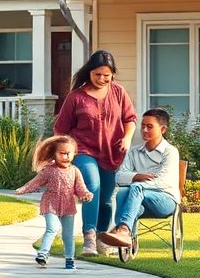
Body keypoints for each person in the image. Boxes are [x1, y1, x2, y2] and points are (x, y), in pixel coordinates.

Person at [53, 50, 137, 257]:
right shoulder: (76, 97)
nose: (101, 79)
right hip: (83, 150)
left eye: (106, 75)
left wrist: (127, 138)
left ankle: (101, 237)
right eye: (97, 74)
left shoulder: (118, 92)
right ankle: (88, 237)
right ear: (89, 73)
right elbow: (60, 129)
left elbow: (130, 119)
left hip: (111, 152)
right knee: (93, 187)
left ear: (112, 74)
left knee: (107, 199)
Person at [98, 108, 181, 249]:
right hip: (139, 201)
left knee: (135, 187)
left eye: (149, 126)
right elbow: (118, 177)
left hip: (166, 201)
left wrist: (139, 183)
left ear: (162, 129)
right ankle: (123, 232)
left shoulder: (170, 152)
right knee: (123, 192)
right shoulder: (134, 152)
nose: (144, 130)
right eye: (142, 126)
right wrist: (137, 176)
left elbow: (164, 181)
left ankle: (122, 230)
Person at [15, 135, 92, 270]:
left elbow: (80, 187)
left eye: (69, 153)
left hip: (68, 205)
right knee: (52, 228)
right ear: (54, 154)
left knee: (68, 234)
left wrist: (85, 194)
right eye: (62, 153)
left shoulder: (75, 171)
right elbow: (35, 182)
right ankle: (43, 254)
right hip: (50, 203)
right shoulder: (48, 171)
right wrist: (23, 189)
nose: (66, 156)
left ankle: (69, 259)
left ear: (74, 153)